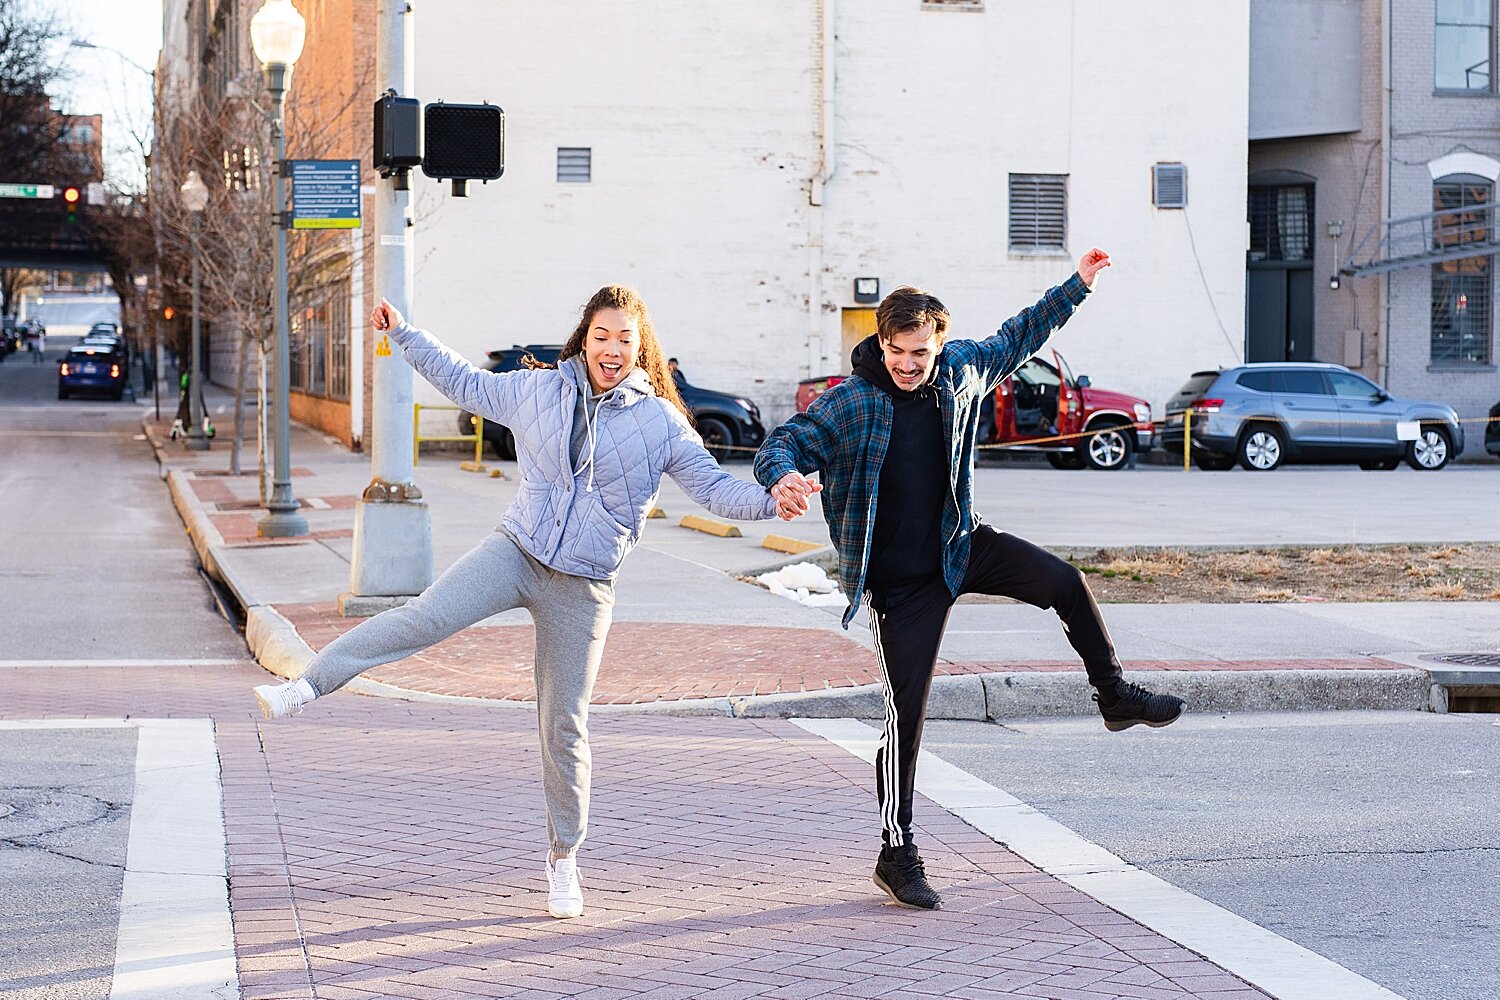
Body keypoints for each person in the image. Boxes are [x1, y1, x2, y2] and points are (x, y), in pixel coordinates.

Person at [252, 285, 808, 920]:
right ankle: (308, 685)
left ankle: (563, 859)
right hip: (516, 549)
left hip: (584, 585)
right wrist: (405, 334)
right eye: (603, 336)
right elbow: (463, 382)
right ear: (585, 339)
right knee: (421, 616)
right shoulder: (538, 390)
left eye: (626, 339)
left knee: (562, 724)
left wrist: (773, 501)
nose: (613, 349)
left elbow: (715, 489)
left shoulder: (660, 423)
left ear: (641, 347)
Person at [755, 249, 1185, 911]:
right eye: (897, 350)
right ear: (882, 341)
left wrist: (1078, 285)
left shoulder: (961, 372)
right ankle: (895, 854)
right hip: (900, 585)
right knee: (907, 715)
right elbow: (787, 440)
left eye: (919, 353)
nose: (907, 363)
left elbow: (1020, 334)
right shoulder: (853, 402)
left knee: (1066, 582)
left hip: (962, 546)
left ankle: (1113, 695)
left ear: (939, 345)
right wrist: (783, 476)